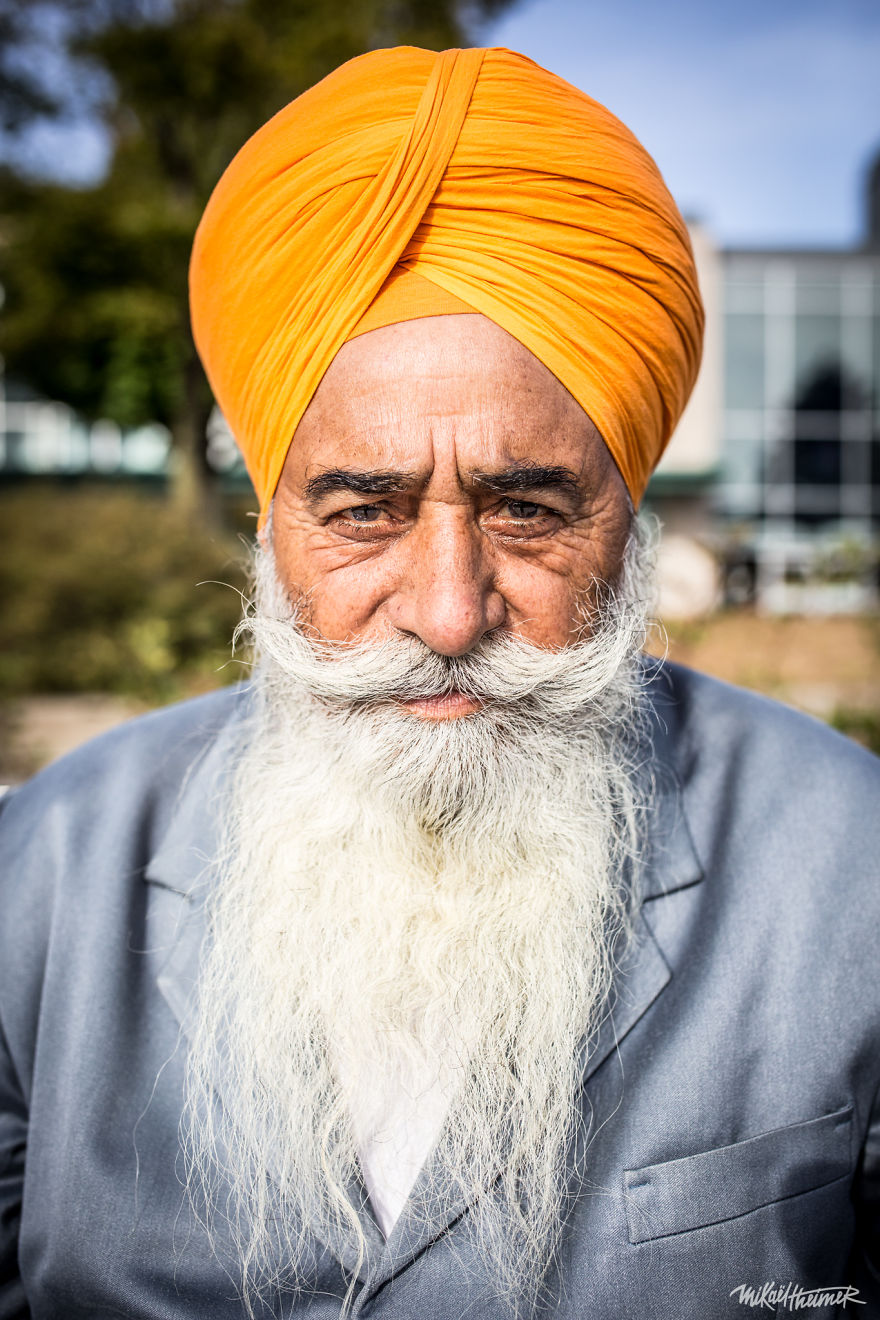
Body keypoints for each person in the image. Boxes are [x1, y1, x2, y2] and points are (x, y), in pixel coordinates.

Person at [0, 45, 878, 1320]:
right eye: (364, 511)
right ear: (268, 528)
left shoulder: (851, 869)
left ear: (628, 526)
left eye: (528, 510)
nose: (450, 611)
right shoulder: (44, 875)